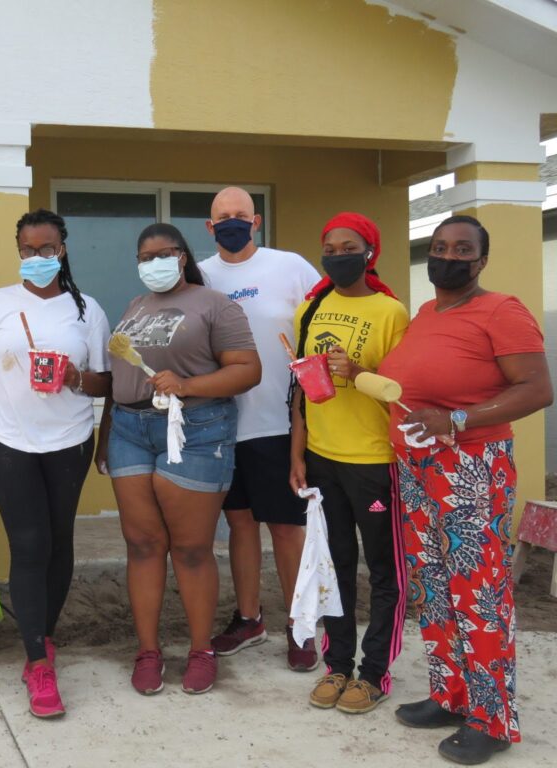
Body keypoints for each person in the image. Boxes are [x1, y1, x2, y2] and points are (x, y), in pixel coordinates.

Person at [378, 216, 552, 765]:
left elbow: (538, 388)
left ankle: (492, 717)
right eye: (439, 246)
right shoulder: (429, 312)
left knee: (478, 592)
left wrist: (457, 418)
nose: (447, 256)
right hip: (417, 466)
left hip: (471, 464)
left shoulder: (502, 310)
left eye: (461, 249)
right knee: (433, 583)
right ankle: (449, 694)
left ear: (481, 261)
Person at [0, 209, 111, 718]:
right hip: (9, 441)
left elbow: (104, 383)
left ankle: (42, 636)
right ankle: (36, 662)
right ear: (19, 250)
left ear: (62, 250)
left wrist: (76, 379)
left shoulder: (87, 309)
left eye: (46, 249)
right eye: (28, 249)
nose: (37, 258)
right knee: (29, 545)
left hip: (69, 439)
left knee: (59, 542)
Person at [101, 223, 260, 697]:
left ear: (183, 256)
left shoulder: (215, 305)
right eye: (144, 256)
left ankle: (200, 650)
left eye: (163, 253)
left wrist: (187, 385)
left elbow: (247, 369)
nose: (154, 263)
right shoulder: (134, 307)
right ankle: (148, 652)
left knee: (191, 548)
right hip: (130, 430)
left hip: (195, 429)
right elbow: (118, 378)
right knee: (143, 544)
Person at [289, 212, 409, 715]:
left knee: (383, 570)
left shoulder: (391, 312)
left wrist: (358, 372)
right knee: (334, 565)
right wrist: (296, 453)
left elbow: (403, 395)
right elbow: (297, 388)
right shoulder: (310, 309)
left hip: (373, 459)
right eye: (329, 246)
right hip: (322, 459)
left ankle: (376, 672)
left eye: (348, 246)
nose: (337, 254)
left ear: (370, 253)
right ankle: (339, 664)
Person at [199, 187, 320, 670]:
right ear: (210, 229)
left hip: (279, 422)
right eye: (222, 217)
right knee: (239, 525)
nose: (232, 222)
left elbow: (319, 324)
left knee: (288, 529)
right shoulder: (201, 275)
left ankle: (300, 624)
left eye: (240, 216)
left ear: (256, 222)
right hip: (223, 423)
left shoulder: (289, 266)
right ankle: (250, 618)